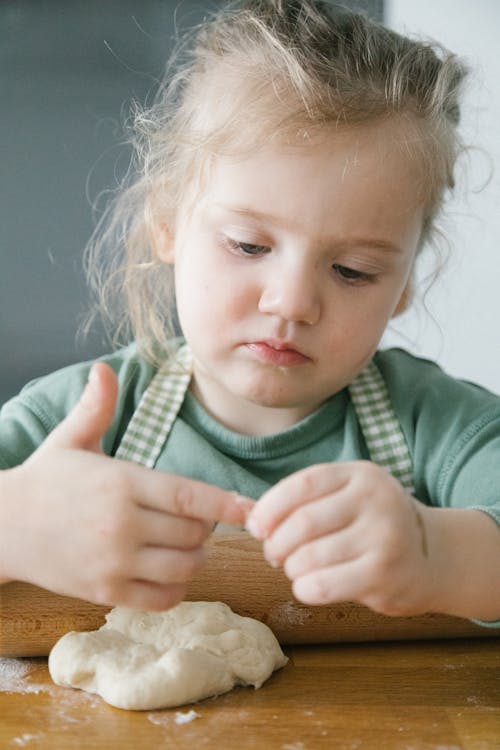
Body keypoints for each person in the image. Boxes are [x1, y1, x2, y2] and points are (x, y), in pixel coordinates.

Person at [1, 0, 499, 626]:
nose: (291, 302)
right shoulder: (83, 419)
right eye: (248, 245)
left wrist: (441, 556)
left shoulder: (434, 426)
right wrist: (13, 523)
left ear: (402, 286)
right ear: (167, 226)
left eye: (353, 271)